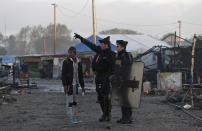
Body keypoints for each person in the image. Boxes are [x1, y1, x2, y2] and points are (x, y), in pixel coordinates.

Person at [74, 33, 115, 122]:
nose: (100, 45)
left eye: (102, 44)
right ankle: (104, 113)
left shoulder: (111, 54)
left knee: (105, 96)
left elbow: (113, 68)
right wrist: (81, 38)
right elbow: (91, 45)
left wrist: (109, 76)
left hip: (106, 77)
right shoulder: (100, 51)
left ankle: (107, 114)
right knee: (100, 96)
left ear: (106, 45)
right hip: (98, 76)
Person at [61, 46, 85, 124]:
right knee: (69, 102)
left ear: (75, 53)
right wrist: (65, 85)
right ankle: (70, 118)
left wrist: (82, 86)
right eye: (69, 52)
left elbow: (81, 75)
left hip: (76, 85)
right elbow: (63, 74)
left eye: (71, 53)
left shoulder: (79, 62)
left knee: (75, 102)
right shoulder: (66, 62)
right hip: (69, 85)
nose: (69, 54)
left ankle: (74, 117)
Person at [114, 40, 134, 124]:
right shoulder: (120, 55)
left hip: (125, 80)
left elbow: (126, 69)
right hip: (120, 80)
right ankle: (124, 117)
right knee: (122, 99)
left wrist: (122, 78)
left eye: (118, 46)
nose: (116, 47)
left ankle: (127, 117)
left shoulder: (126, 55)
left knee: (124, 98)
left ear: (122, 47)